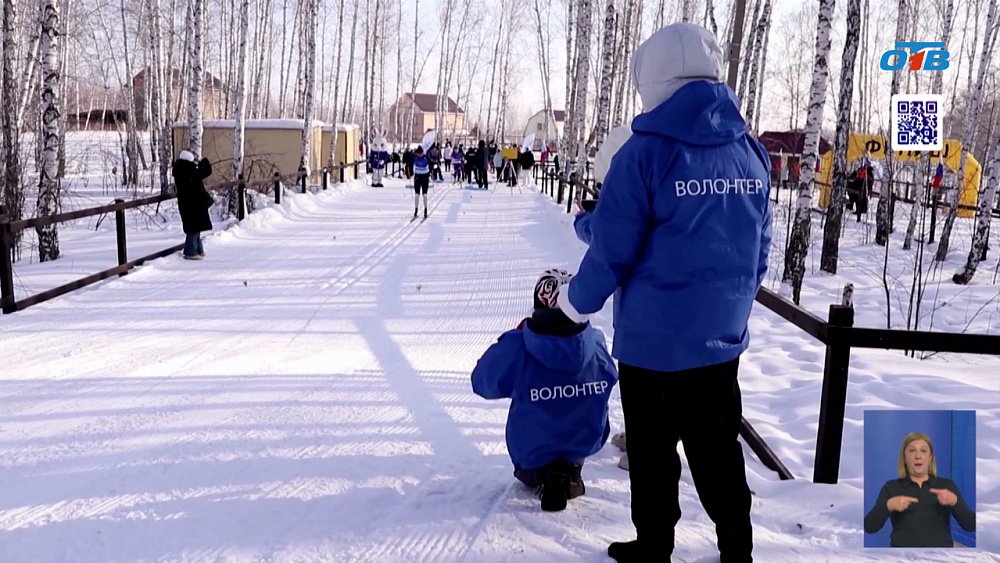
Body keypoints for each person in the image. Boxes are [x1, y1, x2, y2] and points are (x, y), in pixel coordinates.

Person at [555, 23, 771, 563]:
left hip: (653, 344)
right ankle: (737, 550)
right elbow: (760, 241)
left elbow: (613, 248)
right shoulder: (749, 151)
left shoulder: (644, 153)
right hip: (720, 339)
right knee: (718, 449)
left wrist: (575, 302)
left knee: (653, 454)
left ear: (651, 81)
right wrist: (735, 305)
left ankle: (654, 546)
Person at [471, 269, 619, 512]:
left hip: (529, 457)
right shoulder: (596, 342)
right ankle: (567, 474)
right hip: (582, 445)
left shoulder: (519, 344)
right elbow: (610, 377)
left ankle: (547, 476)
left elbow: (482, 382)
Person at [864, 432, 975, 547]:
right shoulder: (891, 487)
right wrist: (889, 505)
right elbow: (869, 527)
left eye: (923, 451)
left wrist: (955, 502)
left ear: (930, 457)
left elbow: (971, 525)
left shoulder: (946, 485)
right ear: (905, 457)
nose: (918, 456)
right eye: (912, 451)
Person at [172, 149, 214, 260]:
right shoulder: (189, 170)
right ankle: (190, 251)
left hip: (188, 203)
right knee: (194, 227)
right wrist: (203, 161)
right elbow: (206, 172)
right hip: (194, 203)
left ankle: (198, 249)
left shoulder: (180, 170)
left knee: (194, 227)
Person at [412, 145, 430, 219]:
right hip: (418, 177)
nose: (418, 155)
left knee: (425, 194)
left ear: (422, 153)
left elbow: (431, 164)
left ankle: (425, 209)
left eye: (419, 153)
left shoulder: (426, 158)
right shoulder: (415, 157)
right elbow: (410, 163)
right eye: (417, 153)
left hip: (425, 177)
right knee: (417, 194)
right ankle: (416, 209)